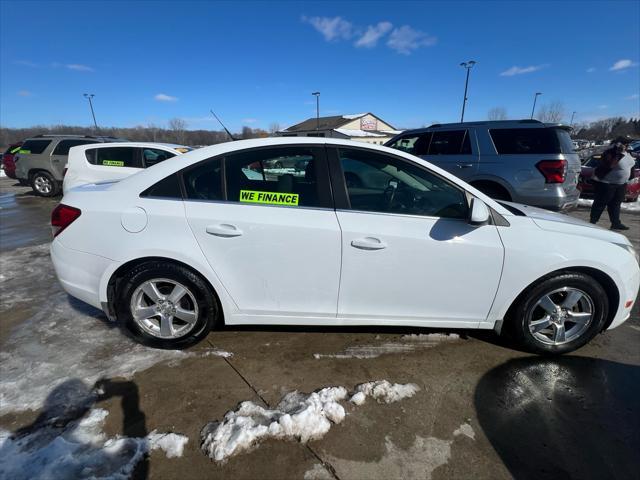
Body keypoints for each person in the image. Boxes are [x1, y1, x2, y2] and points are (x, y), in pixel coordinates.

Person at [589, 136, 634, 230]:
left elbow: (631, 165)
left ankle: (615, 223)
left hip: (621, 184)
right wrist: (617, 153)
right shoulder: (610, 153)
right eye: (625, 144)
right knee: (600, 203)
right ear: (618, 144)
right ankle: (592, 222)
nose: (627, 146)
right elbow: (608, 164)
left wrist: (630, 177)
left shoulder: (628, 153)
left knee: (616, 204)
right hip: (607, 183)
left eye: (627, 144)